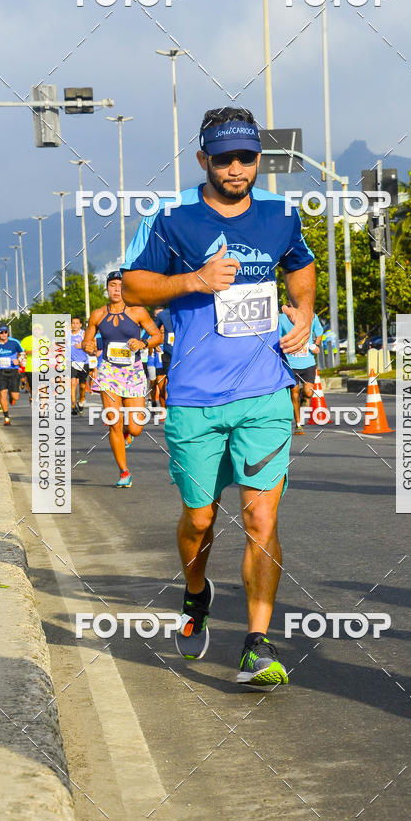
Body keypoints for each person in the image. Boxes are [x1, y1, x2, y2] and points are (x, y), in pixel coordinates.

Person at [122, 106, 315, 686]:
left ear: (260, 159)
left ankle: (257, 642)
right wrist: (195, 281)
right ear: (203, 158)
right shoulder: (170, 217)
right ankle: (196, 593)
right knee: (200, 519)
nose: (236, 167)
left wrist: (303, 310)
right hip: (194, 396)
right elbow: (132, 285)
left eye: (247, 157)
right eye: (224, 157)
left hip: (265, 390)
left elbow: (300, 266)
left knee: (261, 518)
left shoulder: (281, 216)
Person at [82, 271, 161, 486]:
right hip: (108, 372)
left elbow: (157, 335)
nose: (117, 289)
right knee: (114, 423)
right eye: (113, 285)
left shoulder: (138, 312)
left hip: (133, 372)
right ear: (107, 288)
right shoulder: (98, 315)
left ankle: (129, 434)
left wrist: (143, 344)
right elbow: (86, 342)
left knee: (135, 427)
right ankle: (124, 472)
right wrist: (88, 347)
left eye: (121, 286)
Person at [279, 311, 323, 435]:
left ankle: (305, 400)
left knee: (308, 392)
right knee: (294, 394)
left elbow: (319, 333)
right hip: (290, 363)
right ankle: (298, 424)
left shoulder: (311, 316)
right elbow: (278, 337)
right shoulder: (282, 318)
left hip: (307, 362)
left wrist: (316, 344)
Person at [0, 325, 24, 425]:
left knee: (15, 396)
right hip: (1, 372)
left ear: (8, 333)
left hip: (13, 372)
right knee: (2, 394)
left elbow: (23, 353)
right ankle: (6, 417)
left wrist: (19, 360)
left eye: (5, 332)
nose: (3, 334)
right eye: (1, 332)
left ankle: (12, 397)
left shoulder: (14, 342)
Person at [154, 305, 175, 408]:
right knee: (160, 384)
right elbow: (150, 334)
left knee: (172, 383)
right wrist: (154, 344)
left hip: (179, 355)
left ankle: (172, 407)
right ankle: (162, 408)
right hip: (163, 357)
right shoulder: (161, 318)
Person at [70, 316, 89, 415]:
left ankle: (81, 399)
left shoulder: (83, 334)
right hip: (71, 362)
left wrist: (82, 345)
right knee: (72, 383)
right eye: (73, 323)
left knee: (82, 386)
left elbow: (91, 343)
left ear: (80, 325)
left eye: (77, 323)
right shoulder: (66, 335)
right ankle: (73, 405)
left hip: (83, 362)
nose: (75, 325)